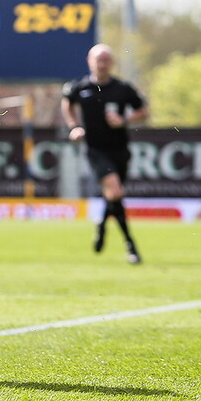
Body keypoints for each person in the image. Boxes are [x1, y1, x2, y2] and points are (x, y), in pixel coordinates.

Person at [62, 43, 149, 264]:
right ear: (89, 61)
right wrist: (74, 126)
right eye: (97, 60)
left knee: (113, 196)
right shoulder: (79, 87)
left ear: (112, 63)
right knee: (116, 191)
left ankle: (102, 225)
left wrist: (125, 120)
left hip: (120, 149)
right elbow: (67, 104)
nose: (101, 64)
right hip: (96, 149)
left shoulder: (122, 88)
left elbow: (143, 111)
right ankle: (131, 244)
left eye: (105, 60)